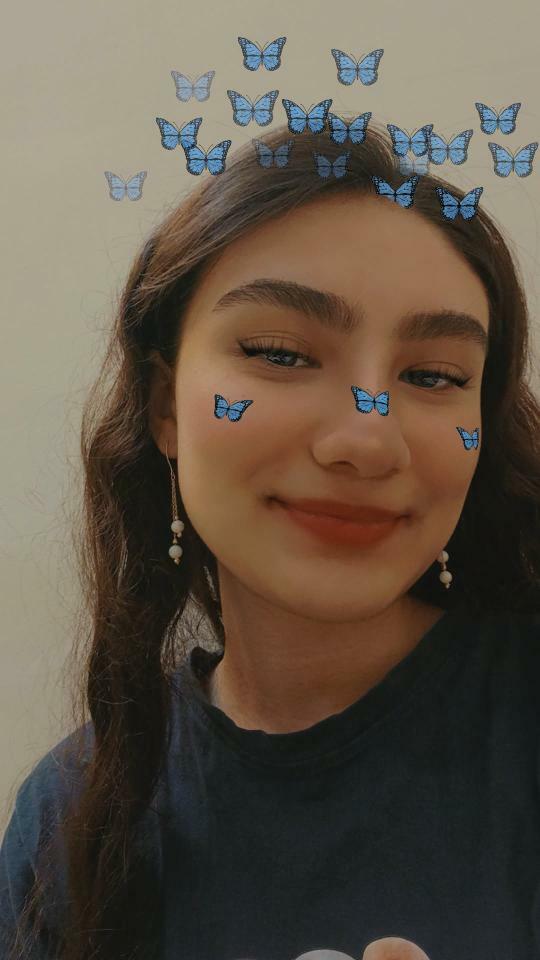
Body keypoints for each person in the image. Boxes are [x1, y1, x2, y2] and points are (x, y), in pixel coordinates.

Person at [2, 120, 540, 960]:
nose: (368, 440)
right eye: (280, 354)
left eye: (433, 376)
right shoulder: (68, 814)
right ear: (165, 406)